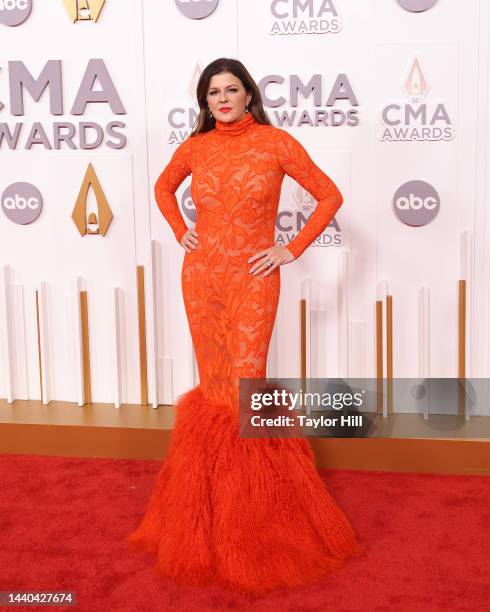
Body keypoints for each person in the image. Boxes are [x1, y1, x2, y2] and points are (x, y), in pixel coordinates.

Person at [127, 57, 363, 596]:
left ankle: (258, 526)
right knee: (213, 391)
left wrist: (290, 248)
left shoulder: (277, 143)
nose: (223, 99)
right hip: (201, 277)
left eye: (232, 90)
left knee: (244, 386)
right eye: (213, 93)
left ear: (249, 95)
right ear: (205, 102)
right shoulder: (195, 148)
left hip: (256, 276)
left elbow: (330, 195)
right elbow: (164, 189)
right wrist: (181, 229)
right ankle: (203, 521)